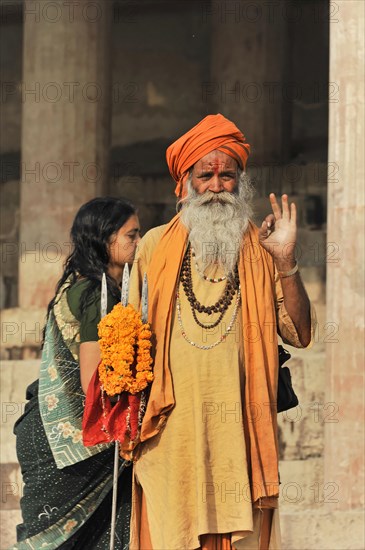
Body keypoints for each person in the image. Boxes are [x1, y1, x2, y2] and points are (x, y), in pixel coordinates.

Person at [128, 114, 317, 550]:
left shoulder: (261, 248)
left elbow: (301, 333)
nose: (216, 186)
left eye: (227, 175)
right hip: (170, 436)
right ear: (185, 184)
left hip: (239, 438)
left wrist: (286, 263)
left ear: (241, 181)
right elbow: (129, 336)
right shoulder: (153, 246)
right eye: (205, 175)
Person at [13, 197, 141, 549]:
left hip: (55, 437)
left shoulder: (79, 283)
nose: (138, 244)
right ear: (105, 239)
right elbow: (93, 382)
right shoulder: (95, 294)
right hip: (68, 446)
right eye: (132, 235)